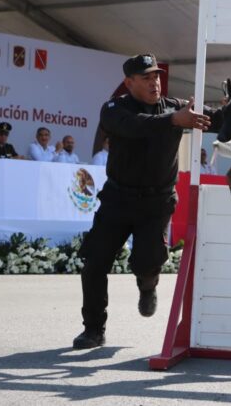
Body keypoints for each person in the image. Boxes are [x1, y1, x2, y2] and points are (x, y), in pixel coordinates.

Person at [73, 53, 223, 349]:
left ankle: (147, 284)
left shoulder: (177, 108)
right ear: (129, 83)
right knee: (94, 263)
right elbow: (136, 126)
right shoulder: (115, 109)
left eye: (156, 76)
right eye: (146, 77)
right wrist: (174, 121)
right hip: (118, 199)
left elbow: (215, 118)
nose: (155, 81)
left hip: (156, 203)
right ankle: (93, 329)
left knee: (147, 261)